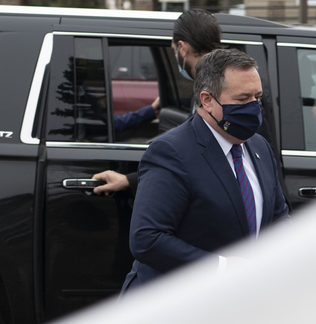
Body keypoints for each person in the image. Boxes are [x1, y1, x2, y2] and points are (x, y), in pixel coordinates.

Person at [120, 49, 290, 294]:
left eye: (258, 96)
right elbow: (147, 238)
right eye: (242, 99)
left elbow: (278, 216)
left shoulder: (258, 145)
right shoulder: (172, 152)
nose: (254, 106)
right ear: (207, 100)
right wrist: (221, 268)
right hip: (174, 307)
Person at [91, 9, 224, 196]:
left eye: (173, 51)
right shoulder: (216, 88)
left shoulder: (214, 96)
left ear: (182, 48)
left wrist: (130, 180)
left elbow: (194, 160)